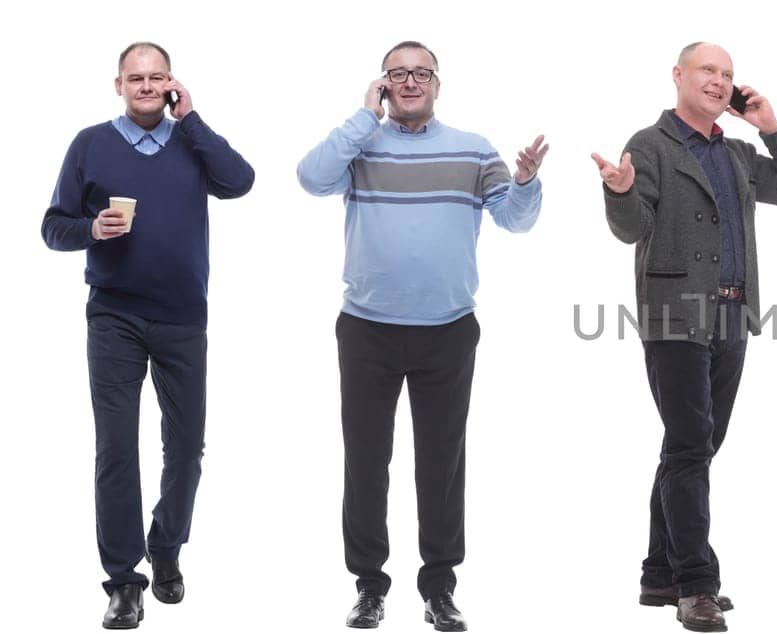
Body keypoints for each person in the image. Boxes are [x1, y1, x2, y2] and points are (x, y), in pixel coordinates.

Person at [297, 40, 547, 632]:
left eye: (421, 73)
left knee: (441, 464)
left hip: (447, 331)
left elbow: (515, 219)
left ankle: (439, 588)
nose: (410, 81)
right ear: (383, 85)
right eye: (397, 74)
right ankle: (369, 586)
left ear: (438, 84)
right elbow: (310, 179)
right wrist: (363, 117)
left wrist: (527, 182)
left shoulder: (472, 148)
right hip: (367, 329)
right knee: (366, 461)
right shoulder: (360, 144)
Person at [591, 41, 777, 633]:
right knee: (691, 446)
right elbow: (633, 228)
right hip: (676, 316)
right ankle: (697, 585)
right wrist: (619, 190)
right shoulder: (651, 145)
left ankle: (658, 572)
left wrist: (772, 127)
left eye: (728, 74)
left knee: (694, 446)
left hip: (732, 316)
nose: (719, 81)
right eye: (708, 70)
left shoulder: (738, 152)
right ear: (679, 76)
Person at [41, 41, 255, 630]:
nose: (145, 86)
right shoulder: (90, 144)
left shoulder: (191, 140)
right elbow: (52, 228)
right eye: (135, 78)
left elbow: (240, 182)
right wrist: (91, 229)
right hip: (113, 317)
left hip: (185, 317)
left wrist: (193, 119)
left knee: (187, 449)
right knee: (116, 449)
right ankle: (124, 581)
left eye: (157, 77)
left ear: (171, 85)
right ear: (118, 85)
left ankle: (165, 548)